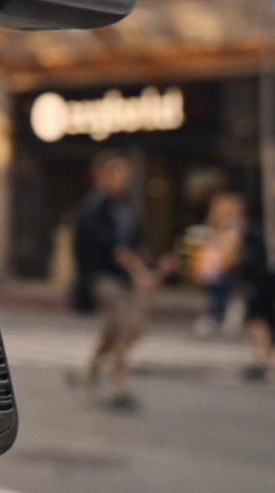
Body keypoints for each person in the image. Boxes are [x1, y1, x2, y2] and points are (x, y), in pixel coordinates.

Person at [69, 151, 171, 411]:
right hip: (103, 278)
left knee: (113, 331)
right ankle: (116, 387)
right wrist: (142, 275)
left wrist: (153, 267)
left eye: (125, 175)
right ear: (102, 176)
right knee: (131, 327)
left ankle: (88, 373)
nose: (122, 180)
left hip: (123, 279)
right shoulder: (93, 208)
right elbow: (116, 250)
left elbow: (135, 245)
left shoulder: (125, 208)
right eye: (117, 175)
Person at [238, 209, 275, 381]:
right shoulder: (268, 237)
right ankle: (267, 362)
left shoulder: (253, 236)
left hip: (259, 286)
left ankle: (264, 362)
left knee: (257, 322)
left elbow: (248, 264)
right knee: (268, 322)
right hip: (268, 285)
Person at [191, 191, 243, 337]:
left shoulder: (233, 226)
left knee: (218, 292)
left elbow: (229, 248)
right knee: (216, 292)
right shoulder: (218, 225)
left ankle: (217, 315)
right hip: (214, 265)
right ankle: (219, 314)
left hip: (224, 265)